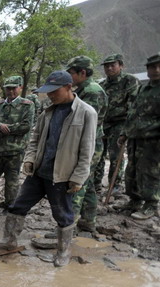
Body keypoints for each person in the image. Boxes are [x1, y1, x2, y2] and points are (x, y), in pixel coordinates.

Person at [0, 71, 97, 267]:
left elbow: (87, 149)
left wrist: (79, 178)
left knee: (63, 215)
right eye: (48, 92)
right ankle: (9, 240)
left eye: (54, 91)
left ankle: (63, 251)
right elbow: (35, 139)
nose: (51, 95)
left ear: (69, 87)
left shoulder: (86, 112)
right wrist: (29, 159)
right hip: (39, 172)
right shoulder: (48, 111)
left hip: (62, 175)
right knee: (18, 206)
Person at [65, 56, 108, 232]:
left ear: (82, 72)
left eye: (71, 74)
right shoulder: (85, 90)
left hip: (89, 145)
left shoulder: (92, 91)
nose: (69, 78)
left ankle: (68, 226)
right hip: (88, 143)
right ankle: (88, 221)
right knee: (88, 184)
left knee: (77, 184)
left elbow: (83, 122)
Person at [0, 76, 35, 211]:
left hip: (15, 151)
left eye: (13, 88)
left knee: (11, 181)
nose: (10, 91)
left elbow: (26, 126)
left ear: (20, 87)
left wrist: (8, 128)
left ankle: (9, 204)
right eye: (8, 88)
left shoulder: (27, 105)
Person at [117, 52, 160, 220]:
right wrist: (125, 132)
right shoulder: (144, 88)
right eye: (152, 67)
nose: (156, 70)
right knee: (132, 169)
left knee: (150, 172)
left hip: (153, 141)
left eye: (158, 66)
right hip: (135, 138)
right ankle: (134, 201)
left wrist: (146, 129)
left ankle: (151, 204)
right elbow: (133, 113)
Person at [97, 53, 140, 195]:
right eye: (106, 66)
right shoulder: (102, 84)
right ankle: (96, 183)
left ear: (120, 65)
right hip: (104, 122)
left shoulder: (130, 81)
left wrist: (127, 129)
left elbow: (133, 106)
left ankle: (114, 185)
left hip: (120, 122)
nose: (109, 68)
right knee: (98, 153)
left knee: (115, 154)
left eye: (112, 65)